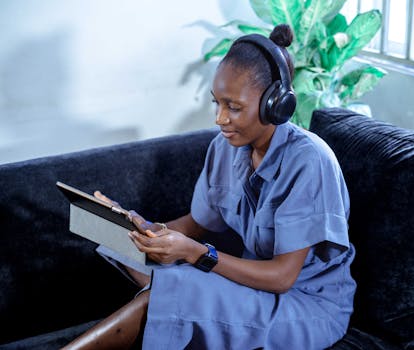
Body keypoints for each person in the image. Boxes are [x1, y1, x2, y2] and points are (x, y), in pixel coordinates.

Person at [63, 24, 356, 350]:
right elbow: (192, 225)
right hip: (254, 290)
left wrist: (196, 253)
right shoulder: (224, 148)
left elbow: (282, 278)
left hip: (305, 305)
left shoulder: (310, 161)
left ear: (275, 105)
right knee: (142, 259)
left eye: (233, 107)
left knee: (170, 291)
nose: (219, 118)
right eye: (217, 103)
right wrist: (137, 227)